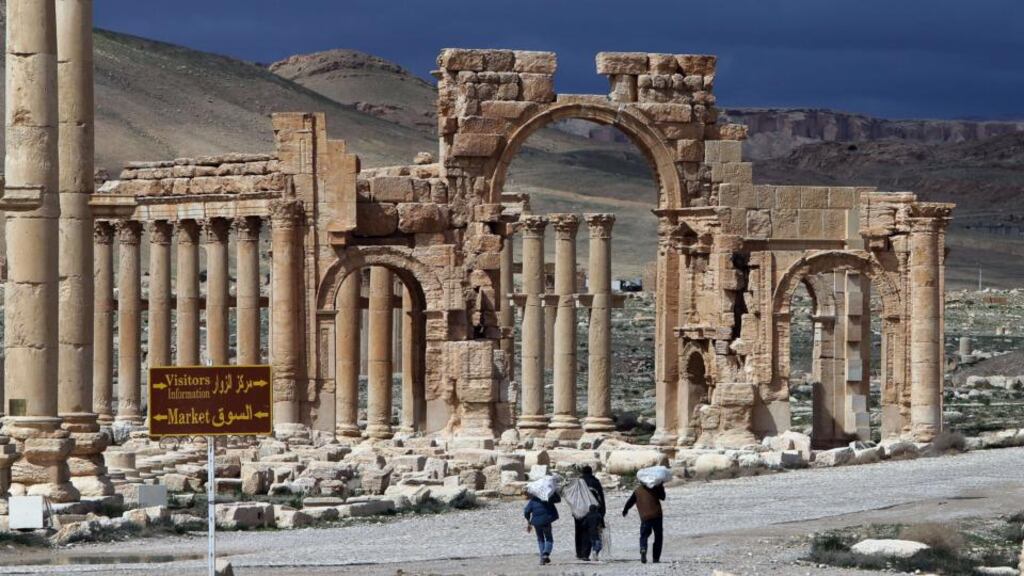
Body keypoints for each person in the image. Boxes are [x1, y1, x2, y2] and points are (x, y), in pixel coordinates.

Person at [622, 482, 666, 563]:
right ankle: (656, 558)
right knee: (658, 536)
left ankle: (643, 549)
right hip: (657, 515)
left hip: (645, 516)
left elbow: (630, 501)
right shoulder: (655, 488)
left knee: (644, 535)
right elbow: (663, 497)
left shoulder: (637, 490)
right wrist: (660, 487)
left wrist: (625, 510)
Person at [574, 465, 606, 561]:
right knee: (589, 531)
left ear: (582, 473)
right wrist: (602, 511)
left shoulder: (578, 483)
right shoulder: (595, 482)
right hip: (592, 511)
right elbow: (600, 497)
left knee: (579, 531)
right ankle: (585, 554)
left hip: (578, 510)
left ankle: (579, 553)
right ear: (591, 472)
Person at [524, 490, 561, 565]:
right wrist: (554, 492)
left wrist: (528, 521)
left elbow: (526, 511)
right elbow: (558, 500)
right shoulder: (547, 498)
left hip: (536, 523)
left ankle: (542, 559)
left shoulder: (533, 500)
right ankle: (545, 554)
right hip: (546, 521)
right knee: (549, 538)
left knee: (540, 539)